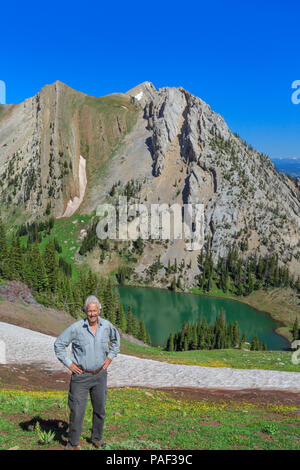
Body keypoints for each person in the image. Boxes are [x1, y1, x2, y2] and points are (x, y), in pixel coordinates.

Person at [54, 295, 120, 449]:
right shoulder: (77, 328)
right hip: (80, 376)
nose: (92, 314)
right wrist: (69, 364)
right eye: (89, 311)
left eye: (95, 311)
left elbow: (116, 342)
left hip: (100, 375)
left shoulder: (107, 326)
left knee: (100, 410)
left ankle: (97, 438)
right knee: (77, 411)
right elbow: (59, 344)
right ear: (85, 311)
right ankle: (73, 443)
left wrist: (110, 357)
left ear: (99, 310)